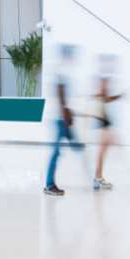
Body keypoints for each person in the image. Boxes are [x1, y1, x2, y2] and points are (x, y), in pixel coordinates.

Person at [44, 45, 83, 196]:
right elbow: (61, 97)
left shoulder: (62, 71)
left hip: (62, 117)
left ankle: (92, 175)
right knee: (57, 152)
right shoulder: (60, 71)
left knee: (73, 148)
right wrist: (66, 115)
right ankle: (49, 185)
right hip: (60, 119)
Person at [92, 56, 123, 191]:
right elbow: (103, 98)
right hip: (103, 118)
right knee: (103, 148)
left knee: (104, 148)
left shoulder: (103, 79)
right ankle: (98, 178)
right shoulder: (103, 79)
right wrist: (118, 97)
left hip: (104, 118)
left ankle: (98, 177)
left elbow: (103, 98)